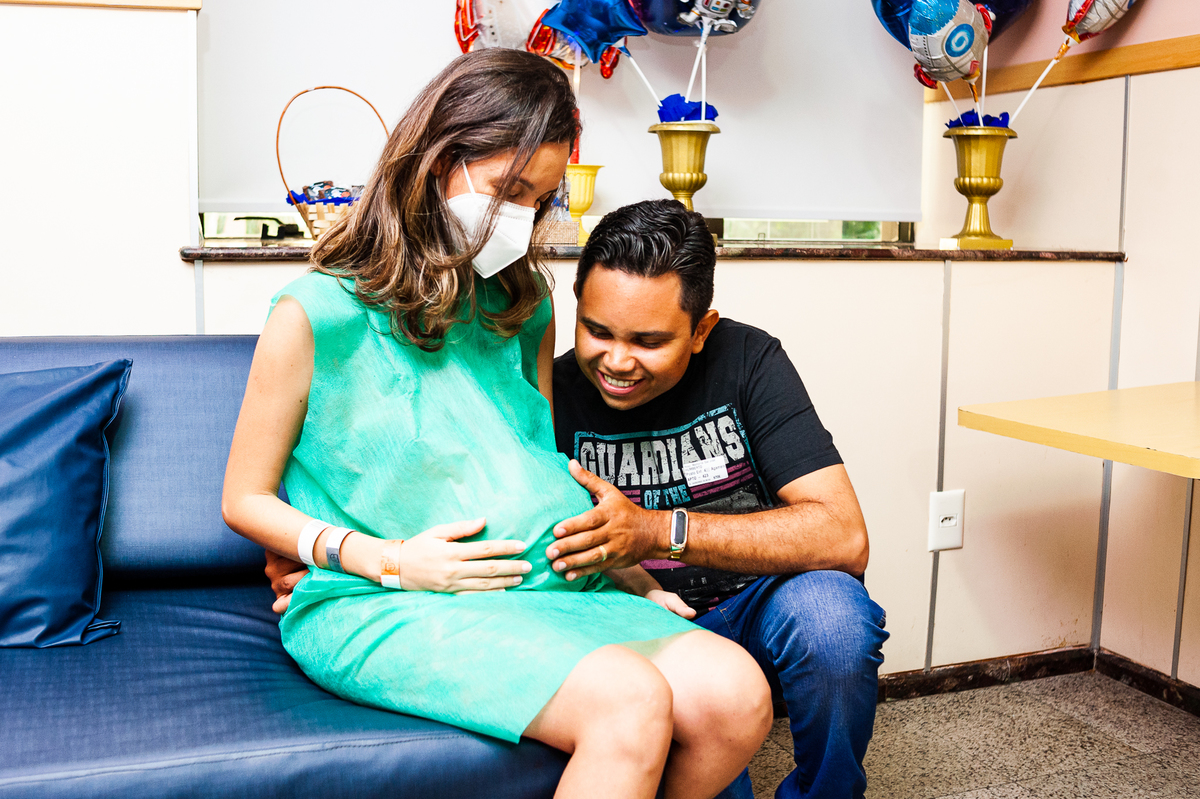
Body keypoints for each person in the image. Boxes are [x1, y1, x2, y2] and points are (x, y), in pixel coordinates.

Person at [224, 50, 772, 799]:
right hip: (388, 600)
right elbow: (244, 499)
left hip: (541, 583)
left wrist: (626, 573)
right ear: (436, 161)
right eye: (509, 191)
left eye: (539, 200)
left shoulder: (523, 306)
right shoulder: (312, 314)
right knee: (630, 700)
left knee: (738, 698)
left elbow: (534, 466)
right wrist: (379, 559)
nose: (523, 218)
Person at [544, 200, 889, 799]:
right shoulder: (551, 390)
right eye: (597, 331)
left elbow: (843, 535)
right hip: (637, 619)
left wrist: (657, 531)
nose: (616, 362)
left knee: (835, 622)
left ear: (701, 330)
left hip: (757, 600)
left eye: (649, 341)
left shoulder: (750, 360)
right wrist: (636, 584)